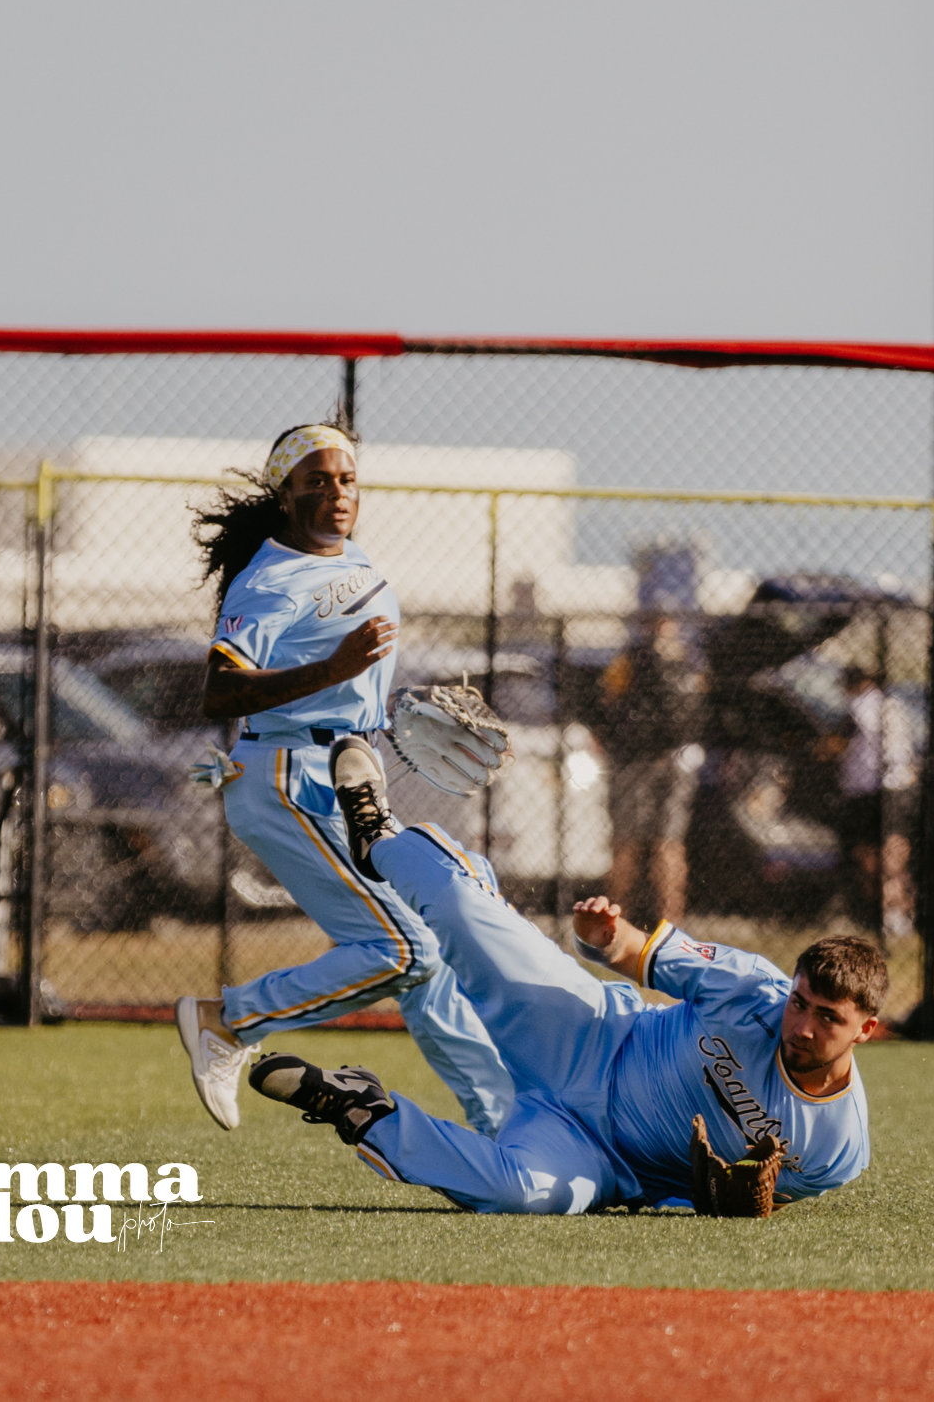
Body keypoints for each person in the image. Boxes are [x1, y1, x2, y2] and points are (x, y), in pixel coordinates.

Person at [246, 739, 887, 1215]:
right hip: (589, 1033)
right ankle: (379, 834)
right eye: (801, 1001)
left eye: (828, 1017)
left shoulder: (835, 1149)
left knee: (516, 1193)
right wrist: (605, 939)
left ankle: (362, 1108)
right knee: (464, 913)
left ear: (866, 1029)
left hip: (596, 1158)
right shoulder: (753, 991)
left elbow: (751, 1200)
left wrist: (712, 1205)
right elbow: (640, 954)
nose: (801, 1024)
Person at [173, 422, 513, 1137]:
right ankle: (226, 1021)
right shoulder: (268, 577)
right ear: (285, 492)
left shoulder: (351, 558)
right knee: (404, 949)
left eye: (346, 479)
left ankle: (504, 1123)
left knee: (431, 950)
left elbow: (350, 675)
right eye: (317, 480)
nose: (336, 492)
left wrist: (388, 703)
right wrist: (334, 671)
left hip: (350, 770)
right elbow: (219, 692)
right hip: (286, 777)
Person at [599, 613, 707, 926]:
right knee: (670, 845)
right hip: (679, 760)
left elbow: (607, 700)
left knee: (626, 844)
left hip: (634, 760)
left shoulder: (629, 659)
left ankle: (616, 922)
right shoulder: (691, 660)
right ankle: (670, 923)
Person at [821, 666, 916, 940]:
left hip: (869, 790)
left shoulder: (861, 706)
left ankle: (888, 915)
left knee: (873, 857)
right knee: (894, 855)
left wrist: (818, 749)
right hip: (899, 788)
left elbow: (835, 745)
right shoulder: (894, 705)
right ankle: (897, 915)